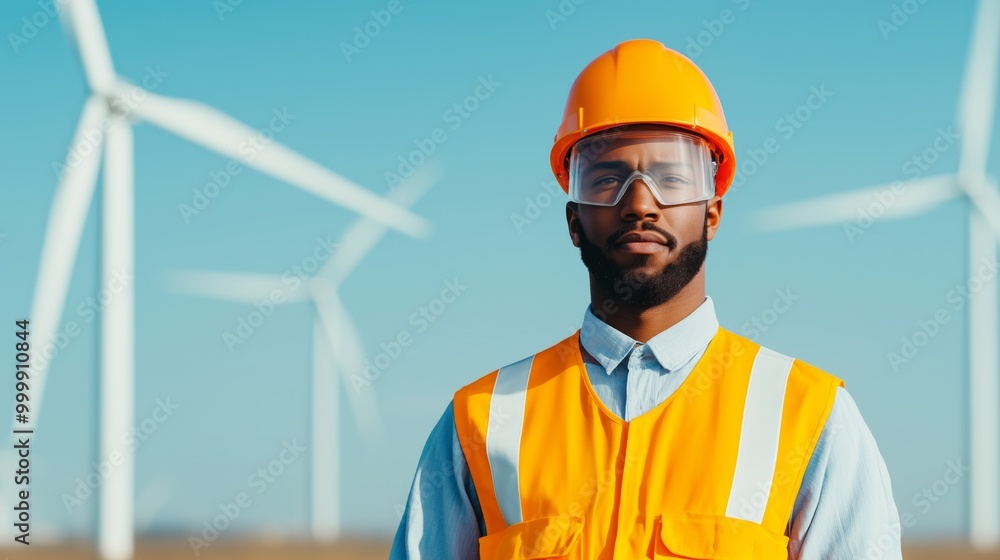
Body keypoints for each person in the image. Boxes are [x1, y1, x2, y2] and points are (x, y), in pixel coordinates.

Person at [389, 38, 902, 560]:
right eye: (607, 179)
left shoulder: (811, 416)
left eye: (671, 178)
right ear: (574, 221)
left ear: (712, 213)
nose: (639, 203)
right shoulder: (480, 420)